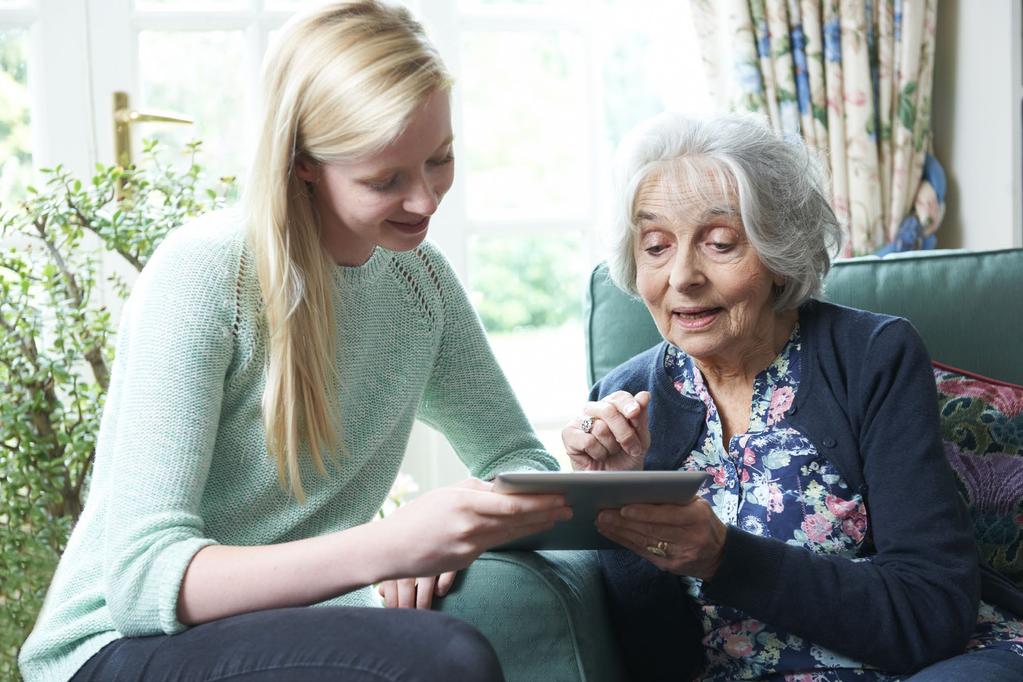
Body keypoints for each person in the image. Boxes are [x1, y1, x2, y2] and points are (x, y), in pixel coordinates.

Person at [18, 3, 573, 680]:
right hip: (113, 650)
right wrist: (392, 545)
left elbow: (518, 459)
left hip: (286, 628)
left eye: (440, 160)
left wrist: (461, 538)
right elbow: (141, 582)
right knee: (444, 658)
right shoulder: (207, 274)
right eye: (385, 179)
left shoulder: (419, 284)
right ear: (305, 163)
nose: (425, 201)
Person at [563, 112, 1023, 681]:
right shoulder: (624, 398)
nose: (681, 276)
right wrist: (614, 503)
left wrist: (724, 557)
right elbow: (657, 658)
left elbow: (930, 614)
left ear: (780, 253)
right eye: (655, 245)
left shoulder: (873, 357)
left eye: (720, 242)